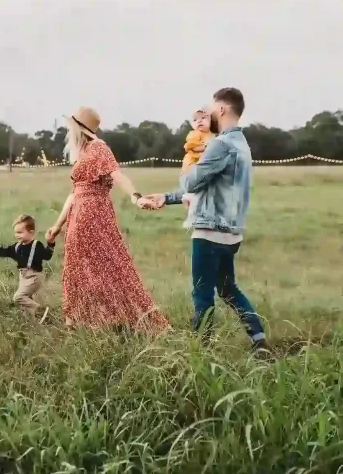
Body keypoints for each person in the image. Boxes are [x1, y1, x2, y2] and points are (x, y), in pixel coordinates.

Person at [145, 88, 270, 353]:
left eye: (212, 108)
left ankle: (200, 351)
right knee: (227, 289)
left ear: (221, 110)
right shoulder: (242, 145)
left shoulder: (220, 144)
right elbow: (209, 188)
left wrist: (188, 163)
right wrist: (166, 198)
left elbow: (192, 181)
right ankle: (258, 339)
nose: (209, 113)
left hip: (210, 230)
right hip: (232, 232)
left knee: (202, 294)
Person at [46, 107, 170, 333]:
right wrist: (57, 226)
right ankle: (77, 320)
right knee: (76, 268)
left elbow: (117, 174)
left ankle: (124, 317)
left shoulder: (98, 148)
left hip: (95, 216)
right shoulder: (82, 153)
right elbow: (74, 194)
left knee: (110, 266)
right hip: (77, 218)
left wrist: (136, 197)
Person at [0, 214, 54, 322]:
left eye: (20, 232)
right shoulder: (17, 247)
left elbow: (47, 256)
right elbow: (4, 251)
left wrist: (50, 243)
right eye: (16, 232)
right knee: (26, 300)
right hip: (23, 276)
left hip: (34, 276)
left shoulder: (36, 245)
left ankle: (41, 311)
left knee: (18, 297)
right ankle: (34, 320)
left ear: (31, 232)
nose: (17, 235)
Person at [182, 109, 215, 227]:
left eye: (203, 118)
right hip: (192, 166)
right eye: (195, 120)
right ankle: (191, 215)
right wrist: (207, 147)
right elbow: (191, 147)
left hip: (201, 166)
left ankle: (195, 211)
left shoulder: (212, 135)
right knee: (197, 193)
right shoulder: (194, 134)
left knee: (201, 194)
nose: (199, 121)